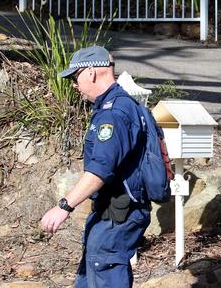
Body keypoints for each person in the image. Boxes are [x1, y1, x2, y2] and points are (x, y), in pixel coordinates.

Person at [40, 46, 151, 287]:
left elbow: (100, 170)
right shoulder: (114, 106)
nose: (73, 84)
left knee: (104, 272)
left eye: (74, 76)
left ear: (91, 73)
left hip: (118, 213)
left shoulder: (114, 113)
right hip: (110, 212)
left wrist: (63, 207)